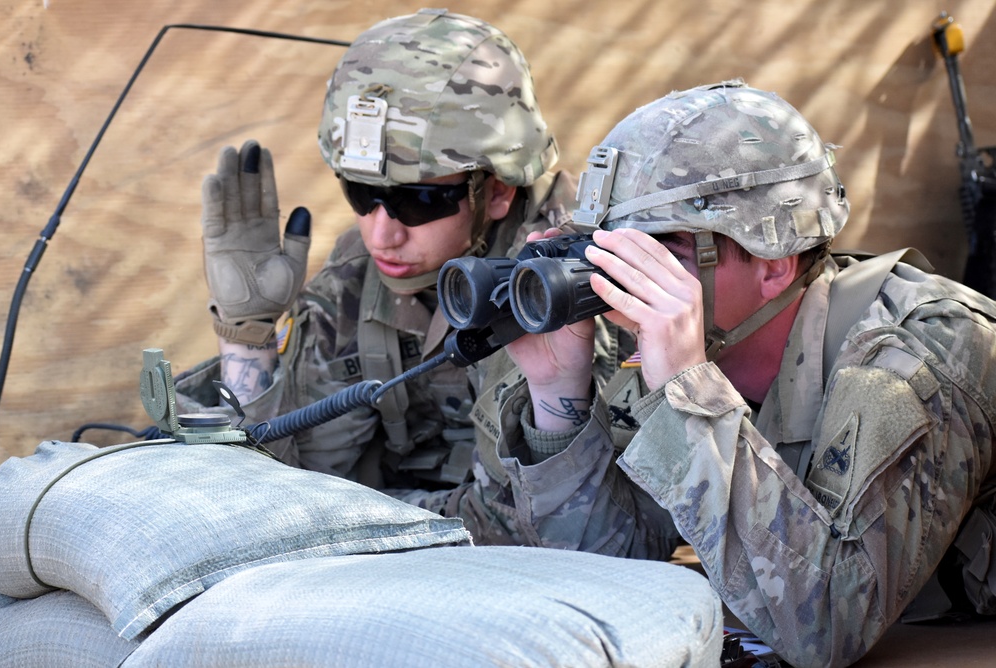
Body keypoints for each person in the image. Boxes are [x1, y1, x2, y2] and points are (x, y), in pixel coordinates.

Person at [418, 80, 996, 667]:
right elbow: (607, 573)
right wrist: (557, 393)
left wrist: (689, 394)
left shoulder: (915, 352)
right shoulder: (666, 349)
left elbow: (828, 622)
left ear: (774, 262)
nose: (624, 275)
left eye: (655, 248)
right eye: (604, 247)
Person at [174, 8, 575, 490]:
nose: (381, 235)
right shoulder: (358, 273)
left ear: (496, 191)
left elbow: (569, 528)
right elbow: (273, 487)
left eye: (418, 200)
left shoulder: (572, 281)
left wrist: (377, 520)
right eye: (362, 194)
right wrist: (247, 334)